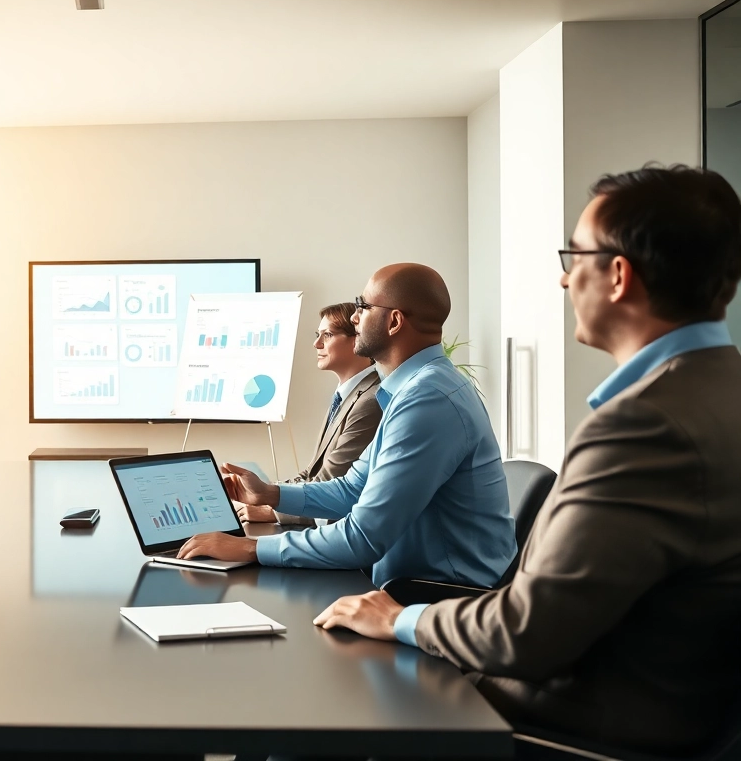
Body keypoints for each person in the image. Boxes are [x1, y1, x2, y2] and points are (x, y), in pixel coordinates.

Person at [312, 165, 741, 756]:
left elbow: (527, 633)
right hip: (658, 708)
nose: (564, 282)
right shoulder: (719, 392)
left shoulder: (644, 427)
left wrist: (400, 618)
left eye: (573, 256)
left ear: (617, 275)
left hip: (565, 721)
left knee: (316, 707)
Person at [178, 264, 514, 589]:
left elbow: (364, 538)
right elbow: (352, 489)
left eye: (362, 307)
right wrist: (271, 494)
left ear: (394, 321)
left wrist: (249, 549)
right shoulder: (416, 388)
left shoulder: (428, 400)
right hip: (415, 584)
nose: (354, 317)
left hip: (439, 595)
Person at [237, 302, 381, 528]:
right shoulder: (348, 394)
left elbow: (333, 485)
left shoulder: (370, 401)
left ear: (357, 340)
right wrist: (261, 494)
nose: (317, 343)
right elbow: (312, 472)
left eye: (328, 335)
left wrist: (274, 511)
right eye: (318, 334)